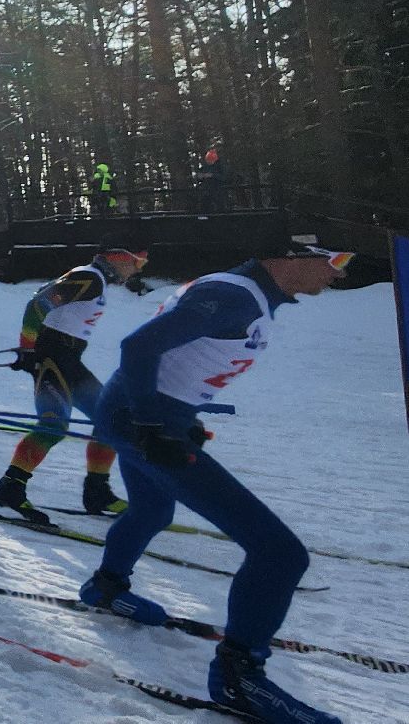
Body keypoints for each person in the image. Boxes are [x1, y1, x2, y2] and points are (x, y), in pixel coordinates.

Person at [81, 244, 351, 724]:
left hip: (142, 413)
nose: (339, 275)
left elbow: (179, 358)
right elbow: (139, 346)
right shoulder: (236, 296)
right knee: (280, 553)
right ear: (294, 255)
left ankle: (104, 588)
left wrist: (179, 417)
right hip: (141, 418)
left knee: (152, 511)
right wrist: (151, 424)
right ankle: (238, 678)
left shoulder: (244, 294)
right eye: (336, 262)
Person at [0, 247, 150, 523]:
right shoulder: (89, 278)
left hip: (69, 361)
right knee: (53, 427)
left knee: (111, 419)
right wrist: (28, 349)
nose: (138, 269)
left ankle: (97, 491)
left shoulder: (91, 278)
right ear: (119, 259)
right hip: (53, 359)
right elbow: (38, 304)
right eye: (137, 262)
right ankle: (11, 488)